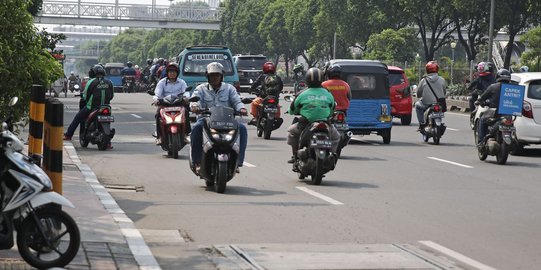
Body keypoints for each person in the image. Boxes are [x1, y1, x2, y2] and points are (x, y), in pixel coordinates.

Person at [189, 62, 248, 174]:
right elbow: (195, 99)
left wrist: (242, 109)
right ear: (207, 76)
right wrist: (195, 106)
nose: (215, 78)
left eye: (217, 75)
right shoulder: (201, 89)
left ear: (222, 76)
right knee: (196, 128)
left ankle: (238, 162)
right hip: (206, 120)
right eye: (212, 75)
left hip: (226, 120)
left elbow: (237, 101)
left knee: (242, 128)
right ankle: (197, 162)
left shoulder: (229, 88)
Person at [287, 67, 340, 163]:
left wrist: (294, 112)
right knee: (336, 137)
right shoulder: (328, 94)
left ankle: (295, 156)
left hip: (306, 123)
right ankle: (333, 154)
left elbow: (292, 110)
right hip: (325, 123)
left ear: (307, 80)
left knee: (292, 132)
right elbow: (332, 109)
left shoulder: (302, 94)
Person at [64, 64, 114, 148]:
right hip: (106, 107)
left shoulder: (91, 82)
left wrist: (86, 99)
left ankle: (68, 135)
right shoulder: (109, 82)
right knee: (108, 121)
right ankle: (108, 143)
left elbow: (85, 96)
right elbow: (111, 96)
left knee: (78, 118)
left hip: (92, 107)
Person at [152, 62, 189, 144]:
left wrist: (186, 98)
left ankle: (186, 134)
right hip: (165, 105)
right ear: (167, 73)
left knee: (186, 112)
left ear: (177, 73)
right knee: (158, 114)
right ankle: (159, 136)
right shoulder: (162, 82)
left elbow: (186, 92)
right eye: (170, 72)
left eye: (174, 72)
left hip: (178, 104)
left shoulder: (182, 82)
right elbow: (157, 94)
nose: (172, 73)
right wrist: (156, 99)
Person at [476, 68, 511, 145]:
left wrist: (478, 101)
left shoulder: (493, 87)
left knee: (482, 119)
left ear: (497, 76)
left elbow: (482, 97)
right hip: (508, 113)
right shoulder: (513, 88)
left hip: (494, 112)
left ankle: (481, 141)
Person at [414, 61, 447, 131]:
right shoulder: (442, 80)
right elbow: (444, 92)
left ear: (427, 70)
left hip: (426, 104)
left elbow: (418, 93)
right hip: (439, 103)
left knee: (417, 105)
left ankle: (421, 124)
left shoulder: (424, 80)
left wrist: (419, 95)